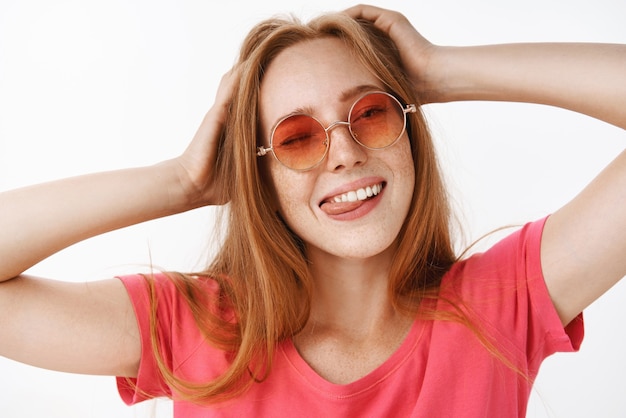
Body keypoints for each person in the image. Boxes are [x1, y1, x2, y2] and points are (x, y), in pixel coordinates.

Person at [0, 3, 625, 417]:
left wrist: (440, 73)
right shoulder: (196, 328)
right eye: (298, 137)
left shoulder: (498, 304)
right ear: (259, 172)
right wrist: (182, 182)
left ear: (408, 130)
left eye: (372, 113)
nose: (345, 153)